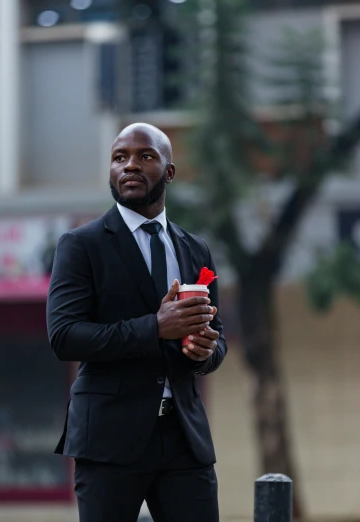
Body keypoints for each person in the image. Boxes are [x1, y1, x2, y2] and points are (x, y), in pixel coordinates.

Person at [47, 123, 228, 522]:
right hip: (109, 439)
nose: (130, 165)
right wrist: (155, 327)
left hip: (184, 436)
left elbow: (218, 342)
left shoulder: (195, 248)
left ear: (169, 171)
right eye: (119, 158)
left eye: (145, 156)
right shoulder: (81, 245)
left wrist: (204, 352)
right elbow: (64, 337)